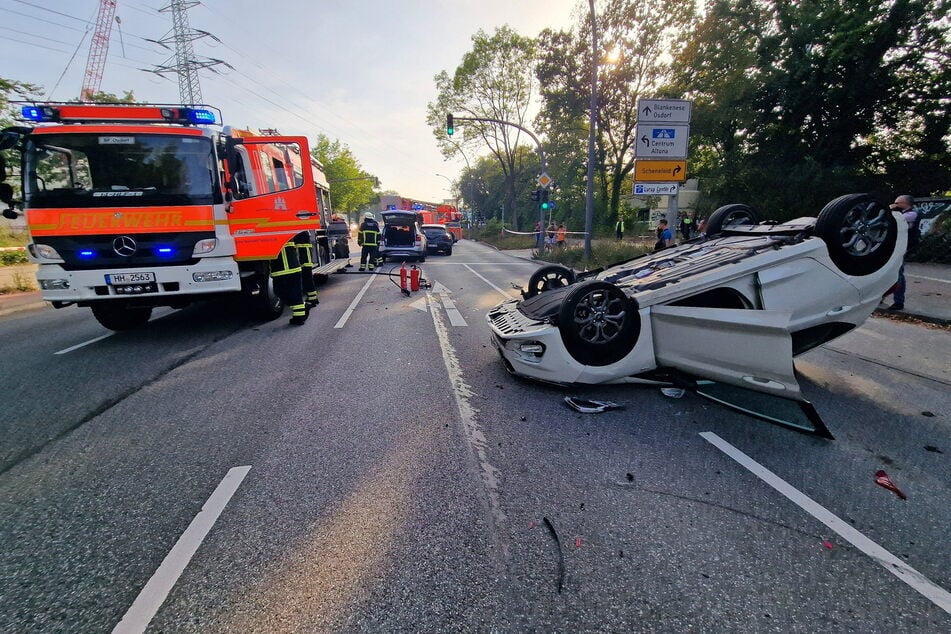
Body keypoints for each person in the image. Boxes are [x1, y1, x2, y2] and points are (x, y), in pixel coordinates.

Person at [882, 194, 919, 311]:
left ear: (906, 204)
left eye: (898, 203)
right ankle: (881, 296)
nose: (895, 205)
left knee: (898, 273)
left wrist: (889, 209)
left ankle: (898, 301)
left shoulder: (912, 214)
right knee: (888, 272)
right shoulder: (902, 214)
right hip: (896, 246)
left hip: (903, 247)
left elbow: (895, 219)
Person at [270, 239, 308, 325]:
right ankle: (301, 311)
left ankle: (299, 318)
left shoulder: (277, 234)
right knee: (291, 295)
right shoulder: (287, 232)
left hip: (284, 270)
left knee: (285, 293)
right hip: (290, 268)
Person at [293, 231, 319, 308]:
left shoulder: (301, 234)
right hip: (306, 259)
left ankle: (312, 299)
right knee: (308, 279)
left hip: (304, 260)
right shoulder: (305, 233)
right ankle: (313, 298)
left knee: (307, 279)